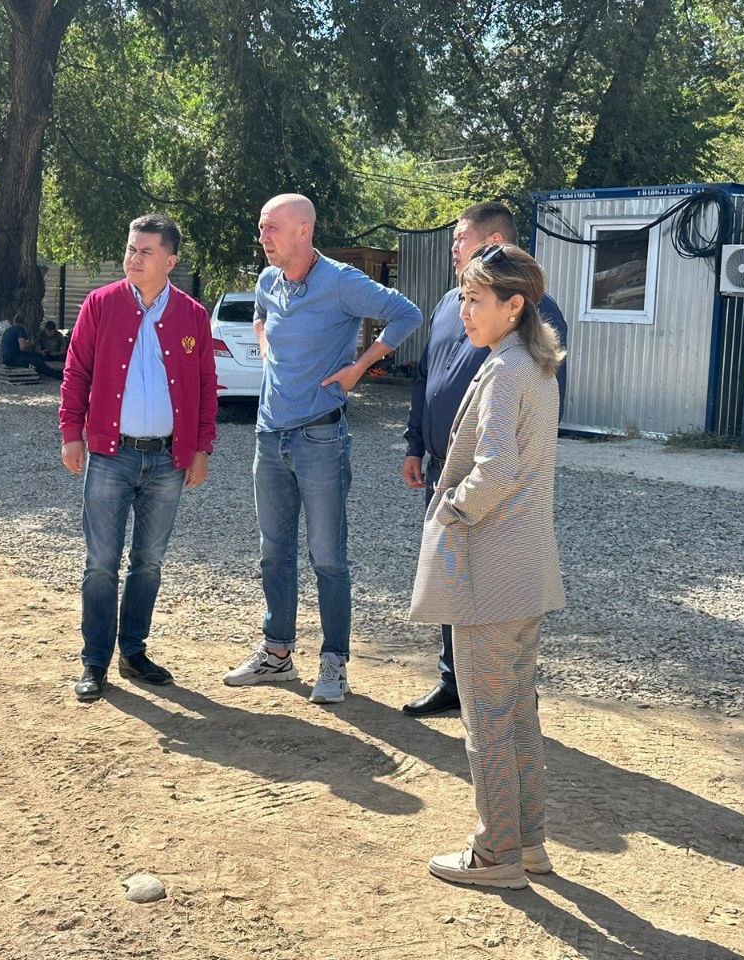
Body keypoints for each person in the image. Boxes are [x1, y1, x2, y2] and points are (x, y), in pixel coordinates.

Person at [222, 193, 423, 704]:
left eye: (272, 228)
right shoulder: (269, 280)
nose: (263, 237)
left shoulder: (341, 282)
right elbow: (262, 313)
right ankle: (277, 656)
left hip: (321, 437)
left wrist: (360, 367)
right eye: (261, 228)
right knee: (274, 552)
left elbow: (406, 314)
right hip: (270, 438)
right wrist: (264, 338)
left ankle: (334, 662)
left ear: (303, 231)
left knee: (328, 557)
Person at [410, 243, 566, 890]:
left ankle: (496, 854)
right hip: (526, 574)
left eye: (476, 299)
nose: (463, 309)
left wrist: (452, 516)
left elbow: (494, 469)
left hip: (490, 574)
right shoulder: (533, 362)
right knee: (518, 713)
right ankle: (526, 844)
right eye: (465, 296)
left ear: (514, 305)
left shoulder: (505, 371)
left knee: (487, 720)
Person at [400, 202, 568, 717]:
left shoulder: (532, 318)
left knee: (487, 591)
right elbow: (428, 375)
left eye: (461, 238)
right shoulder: (451, 303)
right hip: (442, 466)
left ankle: (503, 696)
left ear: (495, 241)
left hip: (484, 487)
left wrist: (456, 504)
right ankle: (455, 680)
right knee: (453, 583)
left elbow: (534, 414)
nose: (453, 247)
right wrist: (414, 442)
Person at [58, 213, 217, 702]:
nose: (133, 258)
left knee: (147, 562)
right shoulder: (100, 305)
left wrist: (200, 447)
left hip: (168, 461)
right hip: (110, 454)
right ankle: (94, 661)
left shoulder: (192, 315)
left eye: (145, 252)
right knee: (101, 562)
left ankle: (134, 651)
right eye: (130, 249)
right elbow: (76, 371)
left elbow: (207, 386)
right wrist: (71, 432)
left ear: (170, 260)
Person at [0, 313, 63, 381]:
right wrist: (31, 343)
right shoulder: (20, 329)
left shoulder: (9, 329)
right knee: (37, 362)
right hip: (13, 359)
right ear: (25, 322)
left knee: (37, 356)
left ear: (14, 321)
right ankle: (58, 375)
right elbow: (23, 347)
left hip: (7, 358)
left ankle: (56, 372)